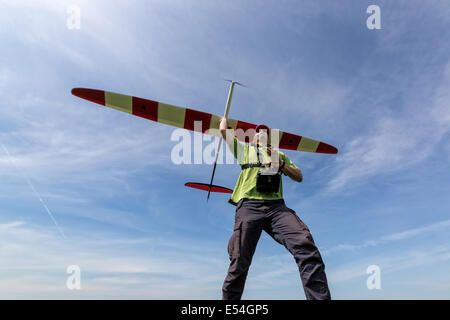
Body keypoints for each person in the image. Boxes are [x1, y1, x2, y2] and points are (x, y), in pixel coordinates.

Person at [219, 117, 331, 300]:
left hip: (277, 208)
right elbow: (224, 132)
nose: (262, 133)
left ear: (270, 138)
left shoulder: (280, 154)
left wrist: (281, 164)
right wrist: (223, 122)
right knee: (239, 261)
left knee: (305, 244)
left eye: (266, 132)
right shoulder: (245, 150)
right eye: (258, 132)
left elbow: (299, 176)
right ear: (253, 137)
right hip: (249, 205)